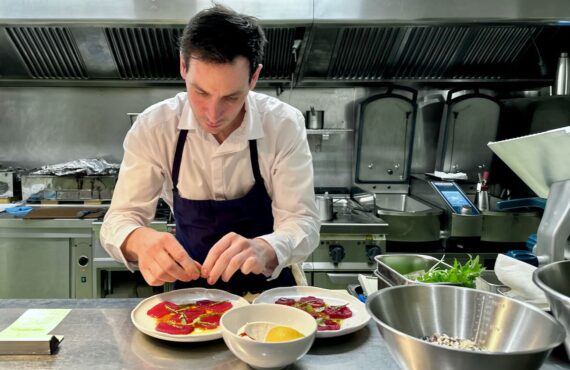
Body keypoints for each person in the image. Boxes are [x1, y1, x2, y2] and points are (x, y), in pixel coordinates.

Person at [100, 5, 320, 296]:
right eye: (200, 92)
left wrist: (267, 248)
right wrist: (138, 241)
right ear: (183, 67)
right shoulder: (155, 126)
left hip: (270, 294)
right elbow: (119, 218)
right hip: (191, 295)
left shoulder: (283, 125)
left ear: (254, 78)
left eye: (231, 97)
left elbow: (302, 220)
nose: (213, 114)